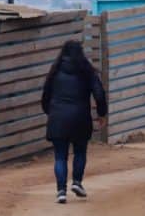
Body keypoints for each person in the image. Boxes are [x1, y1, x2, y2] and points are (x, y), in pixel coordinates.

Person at [41, 40, 108, 204]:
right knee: (80, 152)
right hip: (80, 118)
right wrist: (102, 113)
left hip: (58, 118)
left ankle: (61, 191)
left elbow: (45, 95)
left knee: (60, 156)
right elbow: (99, 93)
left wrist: (50, 112)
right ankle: (77, 182)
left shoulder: (55, 70)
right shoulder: (87, 71)